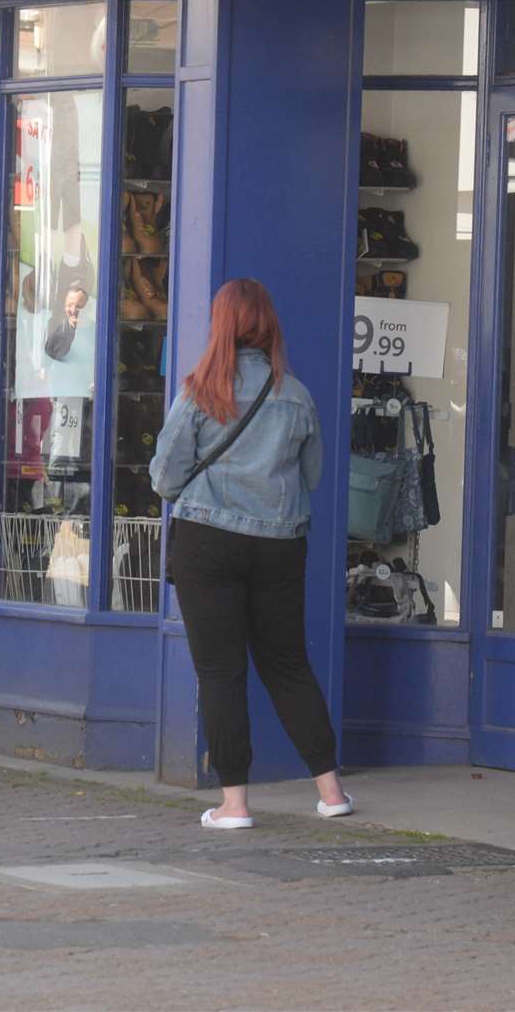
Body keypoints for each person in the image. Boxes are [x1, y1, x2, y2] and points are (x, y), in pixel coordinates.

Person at [149, 278, 352, 827]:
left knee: (220, 672)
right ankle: (331, 792)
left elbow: (165, 480)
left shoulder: (198, 391)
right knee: (288, 664)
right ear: (266, 325)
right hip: (279, 545)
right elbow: (312, 476)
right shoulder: (297, 395)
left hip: (207, 542)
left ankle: (235, 804)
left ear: (221, 325)